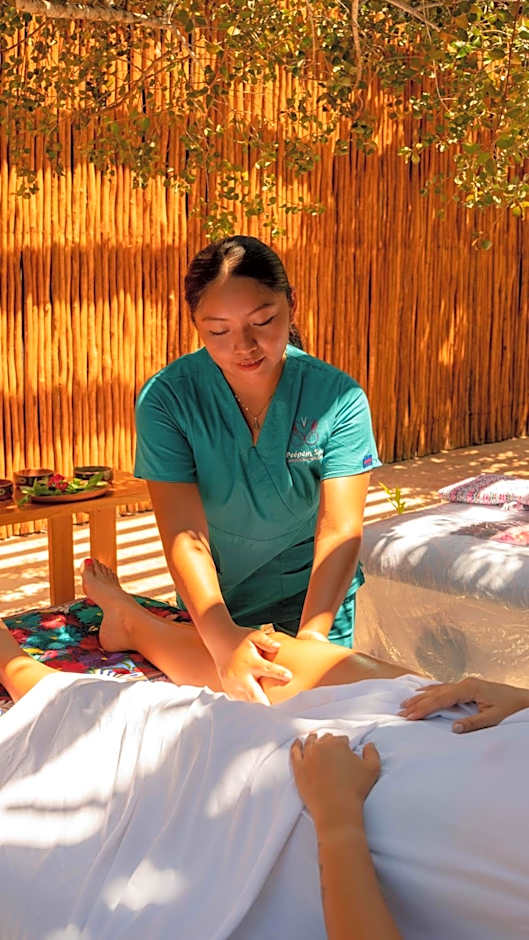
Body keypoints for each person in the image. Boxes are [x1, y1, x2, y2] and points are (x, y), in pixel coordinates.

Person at [1, 563, 529, 939]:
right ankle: (136, 625)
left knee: (202, 736)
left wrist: (338, 817)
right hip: (477, 736)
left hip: (368, 810)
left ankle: (26, 675)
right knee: (309, 667)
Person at [134, 235, 382, 705]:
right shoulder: (167, 399)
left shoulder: (338, 398)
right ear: (195, 324)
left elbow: (339, 528)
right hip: (217, 598)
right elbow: (185, 534)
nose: (244, 346)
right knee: (231, 722)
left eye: (263, 322)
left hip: (315, 596)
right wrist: (223, 639)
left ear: (291, 304)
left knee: (322, 715)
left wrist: (313, 640)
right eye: (218, 331)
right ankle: (126, 617)